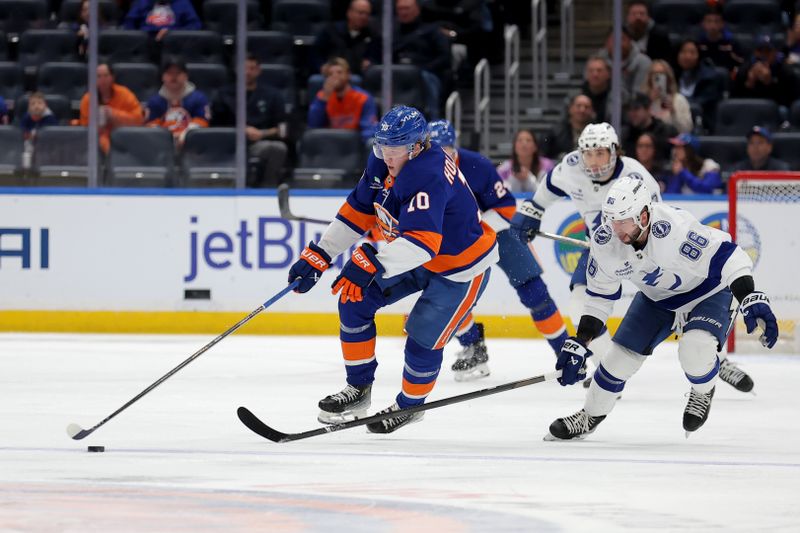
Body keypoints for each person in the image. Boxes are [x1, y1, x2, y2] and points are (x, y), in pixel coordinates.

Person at [285, 105, 498, 434]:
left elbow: (423, 243)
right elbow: (359, 209)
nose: (386, 155)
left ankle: (410, 406)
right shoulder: (384, 160)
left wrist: (373, 260)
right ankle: (358, 390)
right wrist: (322, 253)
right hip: (414, 254)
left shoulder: (427, 173)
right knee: (354, 298)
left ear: (416, 147)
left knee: (420, 339)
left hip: (460, 267)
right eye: (382, 145)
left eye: (395, 147)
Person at [544, 176, 779, 440]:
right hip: (657, 299)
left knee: (695, 349)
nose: (617, 231)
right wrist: (581, 341)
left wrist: (750, 296)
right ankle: (589, 416)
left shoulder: (674, 229)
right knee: (616, 361)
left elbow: (730, 257)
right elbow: (599, 298)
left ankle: (702, 391)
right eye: (612, 221)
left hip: (708, 292)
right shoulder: (605, 240)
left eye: (624, 221)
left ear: (644, 215)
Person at [509, 123, 662, 388]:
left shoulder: (637, 177)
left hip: (643, 250)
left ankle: (714, 352)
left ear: (615, 152)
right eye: (588, 154)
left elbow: (657, 222)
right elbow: (551, 185)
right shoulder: (571, 166)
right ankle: (608, 373)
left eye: (600, 153)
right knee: (579, 306)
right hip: (599, 250)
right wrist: (534, 209)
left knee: (678, 300)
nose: (593, 161)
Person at [428, 119, 569, 381]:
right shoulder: (420, 170)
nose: (439, 157)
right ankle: (473, 347)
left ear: (454, 148)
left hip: (498, 232)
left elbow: (506, 209)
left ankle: (565, 352)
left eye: (445, 150)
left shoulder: (477, 165)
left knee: (534, 292)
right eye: (433, 151)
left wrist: (474, 227)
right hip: (455, 240)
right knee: (447, 293)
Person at [212, 54, 288, 187]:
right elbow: (215, 125)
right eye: (244, 68)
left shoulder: (273, 96)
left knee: (277, 148)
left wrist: (262, 133)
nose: (247, 72)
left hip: (260, 143)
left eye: (252, 68)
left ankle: (267, 190)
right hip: (229, 144)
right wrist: (242, 130)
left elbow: (283, 127)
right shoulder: (223, 95)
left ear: (259, 70)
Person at [392, 0, 451, 119]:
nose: (403, 12)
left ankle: (433, 120)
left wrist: (422, 69)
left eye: (407, 8)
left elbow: (444, 57)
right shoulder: (391, 32)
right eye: (400, 9)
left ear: (417, 10)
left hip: (425, 73)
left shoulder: (432, 31)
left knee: (425, 77)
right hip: (396, 74)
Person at [307, 57, 378, 145]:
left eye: (339, 72)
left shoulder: (363, 97)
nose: (335, 76)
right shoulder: (322, 97)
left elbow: (369, 127)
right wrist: (324, 100)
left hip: (354, 144)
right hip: (330, 144)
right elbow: (313, 126)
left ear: (348, 75)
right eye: (330, 74)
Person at [77, 63, 144, 154]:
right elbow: (85, 127)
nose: (102, 80)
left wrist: (113, 114)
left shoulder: (125, 94)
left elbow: (138, 119)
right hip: (97, 143)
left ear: (112, 77)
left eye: (106, 75)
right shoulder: (88, 99)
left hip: (125, 137)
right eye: (98, 76)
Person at [145, 57, 210, 148]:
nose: (174, 77)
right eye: (169, 73)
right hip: (162, 145)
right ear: (162, 76)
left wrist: (186, 135)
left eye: (178, 73)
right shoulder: (155, 101)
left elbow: (202, 121)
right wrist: (166, 138)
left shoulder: (198, 98)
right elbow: (151, 125)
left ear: (186, 76)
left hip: (193, 145)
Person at [311, 0, 380, 76]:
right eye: (360, 13)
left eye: (367, 14)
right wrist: (321, 66)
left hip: (358, 75)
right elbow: (315, 53)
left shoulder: (372, 34)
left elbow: (375, 57)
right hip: (331, 74)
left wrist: (370, 62)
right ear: (349, 13)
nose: (364, 17)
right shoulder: (331, 30)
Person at [732, 35, 800, 108]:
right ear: (755, 52)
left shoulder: (785, 71)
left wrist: (769, 83)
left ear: (775, 52)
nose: (764, 55)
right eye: (760, 51)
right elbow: (735, 101)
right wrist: (749, 84)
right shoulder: (744, 70)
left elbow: (789, 104)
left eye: (768, 51)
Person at [674, 39, 722, 131]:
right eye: (683, 52)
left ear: (699, 55)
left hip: (701, 122)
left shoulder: (709, 78)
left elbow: (702, 103)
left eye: (692, 52)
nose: (687, 56)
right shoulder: (672, 74)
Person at [621, 92, 678, 162]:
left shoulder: (665, 132)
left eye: (636, 109)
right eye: (629, 109)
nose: (632, 113)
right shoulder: (627, 135)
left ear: (648, 109)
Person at [597, 26, 652, 98]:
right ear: (606, 43)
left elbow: (640, 95)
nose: (618, 44)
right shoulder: (597, 61)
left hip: (634, 106)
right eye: (613, 40)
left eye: (622, 39)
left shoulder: (643, 62)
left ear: (630, 41)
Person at [640, 60, 693, 133]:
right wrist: (649, 102)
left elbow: (686, 129)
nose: (658, 77)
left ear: (668, 78)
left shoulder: (679, 100)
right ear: (650, 78)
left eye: (662, 74)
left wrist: (673, 112)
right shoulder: (642, 99)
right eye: (654, 74)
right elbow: (637, 125)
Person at [495, 129, 554, 193]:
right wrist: (512, 180)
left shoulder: (547, 165)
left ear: (535, 147)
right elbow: (498, 192)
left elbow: (550, 192)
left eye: (528, 140)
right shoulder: (504, 168)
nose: (524, 144)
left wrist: (529, 177)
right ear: (514, 147)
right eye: (520, 140)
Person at [696, 5, 744, 74]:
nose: (713, 25)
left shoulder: (731, 43)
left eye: (716, 21)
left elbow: (741, 62)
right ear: (703, 24)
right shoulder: (698, 43)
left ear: (722, 24)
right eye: (709, 21)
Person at [122, 0, 201, 41]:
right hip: (145, 43)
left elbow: (195, 25)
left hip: (174, 42)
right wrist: (141, 37)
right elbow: (129, 22)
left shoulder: (182, 2)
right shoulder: (142, 1)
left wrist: (173, 33)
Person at [550, 94, 595, 159]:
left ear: (592, 111)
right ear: (570, 108)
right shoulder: (556, 132)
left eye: (587, 107)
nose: (582, 110)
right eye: (578, 106)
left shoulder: (598, 132)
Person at [581, 56, 620, 123]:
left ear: (608, 74)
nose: (595, 74)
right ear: (586, 74)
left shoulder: (618, 97)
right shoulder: (577, 97)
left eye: (599, 70)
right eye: (591, 71)